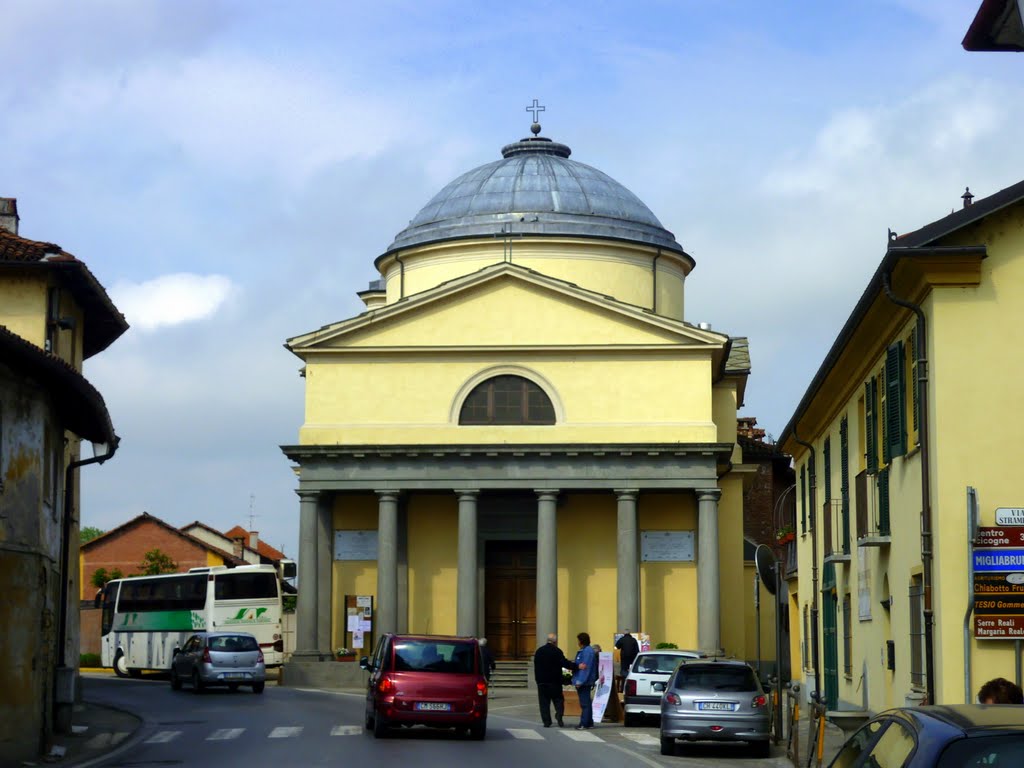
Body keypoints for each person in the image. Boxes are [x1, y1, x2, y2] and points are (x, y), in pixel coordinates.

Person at [533, 633, 575, 727]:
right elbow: (565, 664)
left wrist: (537, 680)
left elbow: (536, 666)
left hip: (542, 681)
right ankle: (559, 715)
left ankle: (547, 722)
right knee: (558, 700)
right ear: (555, 642)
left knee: (544, 703)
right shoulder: (557, 651)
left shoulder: (539, 651)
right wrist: (575, 666)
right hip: (555, 681)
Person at [572, 631, 599, 729]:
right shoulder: (586, 650)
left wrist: (580, 681)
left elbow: (585, 668)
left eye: (578, 640)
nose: (577, 642)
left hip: (584, 681)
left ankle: (584, 723)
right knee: (587, 702)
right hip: (586, 680)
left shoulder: (587, 651)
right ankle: (589, 722)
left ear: (581, 641)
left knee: (585, 703)